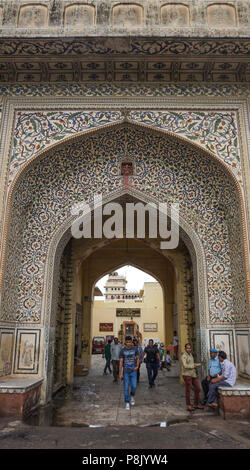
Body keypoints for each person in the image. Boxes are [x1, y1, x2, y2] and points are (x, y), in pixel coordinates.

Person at [181, 343, 204, 411]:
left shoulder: (190, 355)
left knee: (198, 388)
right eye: (187, 348)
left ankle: (196, 404)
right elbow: (185, 365)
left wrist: (200, 364)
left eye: (190, 348)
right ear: (185, 349)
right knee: (188, 390)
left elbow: (192, 364)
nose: (189, 349)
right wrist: (193, 366)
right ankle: (188, 405)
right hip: (187, 374)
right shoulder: (184, 356)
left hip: (193, 374)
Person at [119, 336, 140, 410]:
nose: (128, 343)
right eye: (127, 342)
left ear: (132, 342)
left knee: (134, 386)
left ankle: (132, 396)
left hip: (133, 371)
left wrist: (137, 366)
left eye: (129, 342)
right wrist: (120, 373)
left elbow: (138, 358)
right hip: (126, 372)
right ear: (125, 342)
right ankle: (127, 402)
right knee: (126, 387)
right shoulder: (122, 351)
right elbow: (121, 362)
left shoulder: (135, 349)